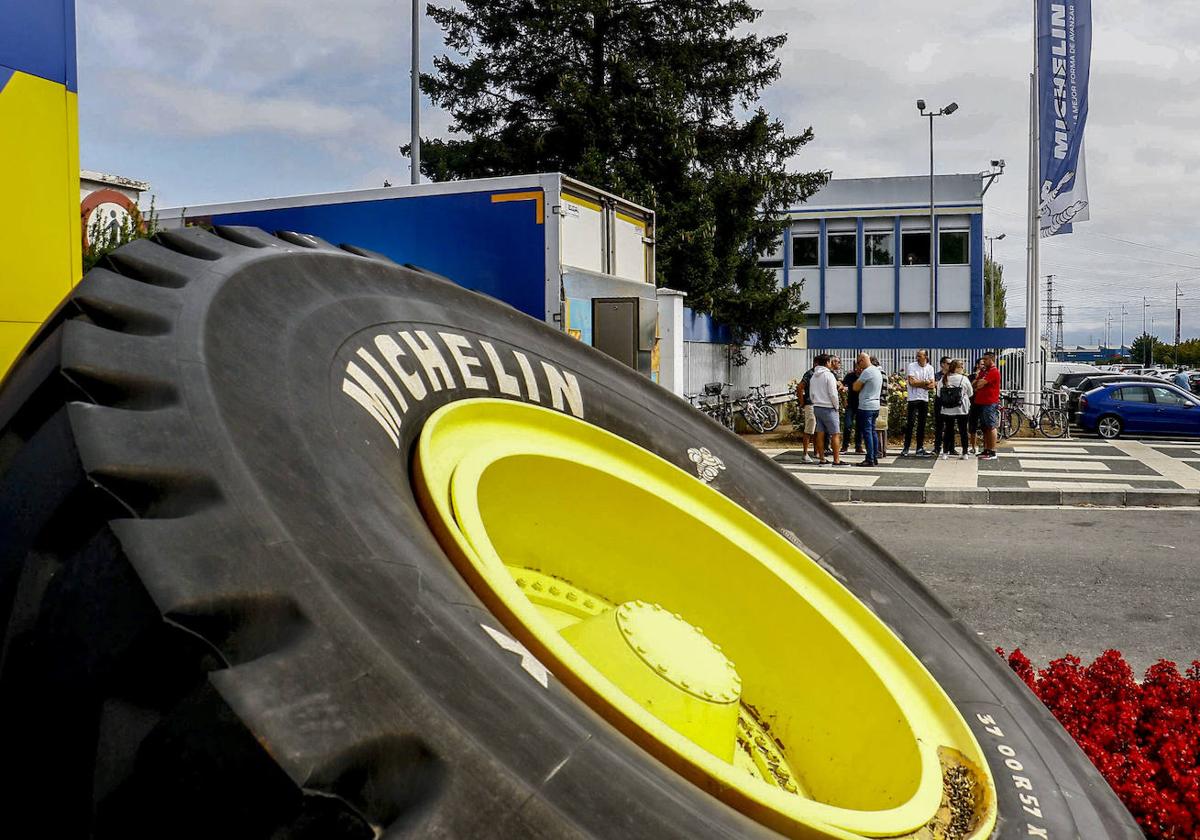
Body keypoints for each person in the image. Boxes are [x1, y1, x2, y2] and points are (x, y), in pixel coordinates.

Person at [808, 354, 846, 466]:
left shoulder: (814, 376)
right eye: (830, 362)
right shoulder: (829, 375)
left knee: (820, 433)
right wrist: (837, 406)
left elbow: (811, 393)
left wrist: (815, 402)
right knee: (835, 434)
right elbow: (833, 393)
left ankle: (822, 458)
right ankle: (836, 460)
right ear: (827, 363)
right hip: (829, 407)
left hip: (817, 406)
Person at [936, 359, 974, 459]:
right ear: (957, 368)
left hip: (947, 409)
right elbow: (970, 393)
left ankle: (945, 452)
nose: (963, 368)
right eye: (961, 366)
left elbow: (938, 394)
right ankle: (965, 453)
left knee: (948, 430)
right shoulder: (963, 379)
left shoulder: (944, 378)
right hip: (962, 408)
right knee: (963, 430)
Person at [901, 350, 936, 457]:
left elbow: (932, 385)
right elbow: (912, 382)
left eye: (919, 356)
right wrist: (925, 382)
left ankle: (919, 447)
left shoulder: (930, 368)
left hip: (924, 399)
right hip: (913, 398)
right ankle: (906, 447)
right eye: (917, 356)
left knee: (922, 424)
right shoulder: (912, 366)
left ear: (925, 357)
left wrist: (919, 383)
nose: (917, 358)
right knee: (910, 423)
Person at [853, 352, 883, 467]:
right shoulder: (876, 370)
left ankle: (870, 458)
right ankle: (874, 456)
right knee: (872, 431)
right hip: (875, 405)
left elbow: (855, 387)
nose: (858, 365)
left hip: (866, 406)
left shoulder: (867, 372)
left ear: (862, 360)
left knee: (867, 433)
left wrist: (858, 378)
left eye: (858, 362)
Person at [972, 352, 1002, 460]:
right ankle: (986, 449)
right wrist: (978, 382)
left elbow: (979, 383)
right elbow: (974, 383)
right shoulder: (984, 371)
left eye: (985, 359)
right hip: (981, 401)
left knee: (991, 426)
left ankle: (992, 450)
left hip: (989, 402)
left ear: (991, 359)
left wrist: (979, 383)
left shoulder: (993, 371)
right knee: (984, 427)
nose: (983, 361)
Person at [794, 363, 817, 463]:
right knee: (809, 429)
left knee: (817, 429)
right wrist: (802, 402)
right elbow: (799, 387)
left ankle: (817, 451)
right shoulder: (810, 374)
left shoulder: (823, 373)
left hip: (819, 404)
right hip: (811, 403)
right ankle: (805, 453)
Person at [840, 357, 863, 454]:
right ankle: (845, 446)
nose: (860, 369)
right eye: (858, 366)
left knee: (860, 426)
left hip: (861, 404)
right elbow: (842, 387)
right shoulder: (850, 376)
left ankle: (858, 446)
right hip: (850, 404)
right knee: (847, 425)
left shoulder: (865, 376)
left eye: (861, 367)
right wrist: (844, 400)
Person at [932, 356, 951, 455]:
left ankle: (950, 448)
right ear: (942, 364)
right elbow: (933, 384)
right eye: (948, 363)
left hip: (950, 403)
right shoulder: (937, 375)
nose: (950, 365)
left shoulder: (952, 375)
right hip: (939, 402)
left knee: (950, 426)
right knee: (939, 426)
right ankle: (937, 447)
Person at [967, 358, 985, 454]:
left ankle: (984, 447)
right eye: (982, 363)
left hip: (984, 403)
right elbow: (970, 388)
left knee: (985, 426)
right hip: (973, 403)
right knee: (972, 426)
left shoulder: (986, 376)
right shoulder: (971, 376)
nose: (983, 365)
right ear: (977, 365)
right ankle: (973, 447)